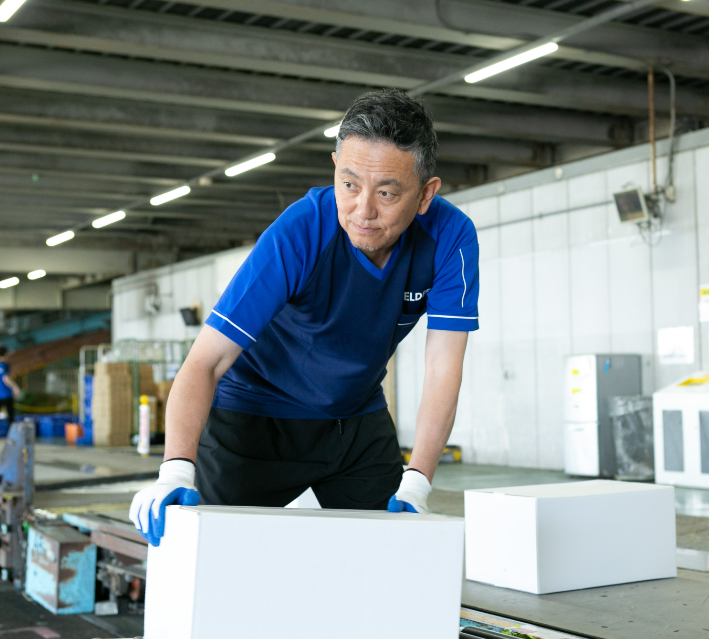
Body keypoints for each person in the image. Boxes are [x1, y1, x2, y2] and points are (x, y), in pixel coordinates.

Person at [129, 90, 479, 545]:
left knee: (393, 556)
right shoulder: (302, 230)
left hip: (356, 422)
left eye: (387, 192)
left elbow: (442, 372)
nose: (363, 211)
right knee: (216, 562)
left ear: (425, 194)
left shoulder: (450, 238)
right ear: (335, 168)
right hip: (255, 419)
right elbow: (205, 362)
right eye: (349, 185)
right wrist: (175, 470)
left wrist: (417, 483)